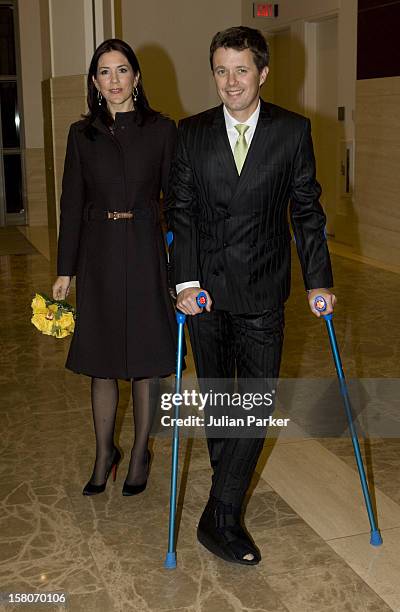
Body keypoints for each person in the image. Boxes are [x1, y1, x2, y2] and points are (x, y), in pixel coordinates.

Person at [167, 26, 336, 565]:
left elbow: (306, 211)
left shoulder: (291, 131)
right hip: (207, 296)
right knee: (219, 403)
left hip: (263, 285)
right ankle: (228, 501)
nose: (231, 81)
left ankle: (219, 513)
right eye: (221, 70)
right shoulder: (191, 132)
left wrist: (319, 280)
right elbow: (182, 212)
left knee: (257, 401)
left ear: (262, 73)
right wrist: (186, 283)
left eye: (241, 70)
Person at [52, 39, 177, 497]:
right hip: (100, 254)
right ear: (94, 82)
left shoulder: (162, 130)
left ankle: (140, 451)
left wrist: (180, 265)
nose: (115, 80)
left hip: (145, 252)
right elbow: (71, 204)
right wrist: (66, 268)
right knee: (101, 364)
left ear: (137, 77)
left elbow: (176, 201)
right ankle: (105, 452)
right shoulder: (80, 134)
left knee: (146, 362)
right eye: (104, 72)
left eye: (122, 70)